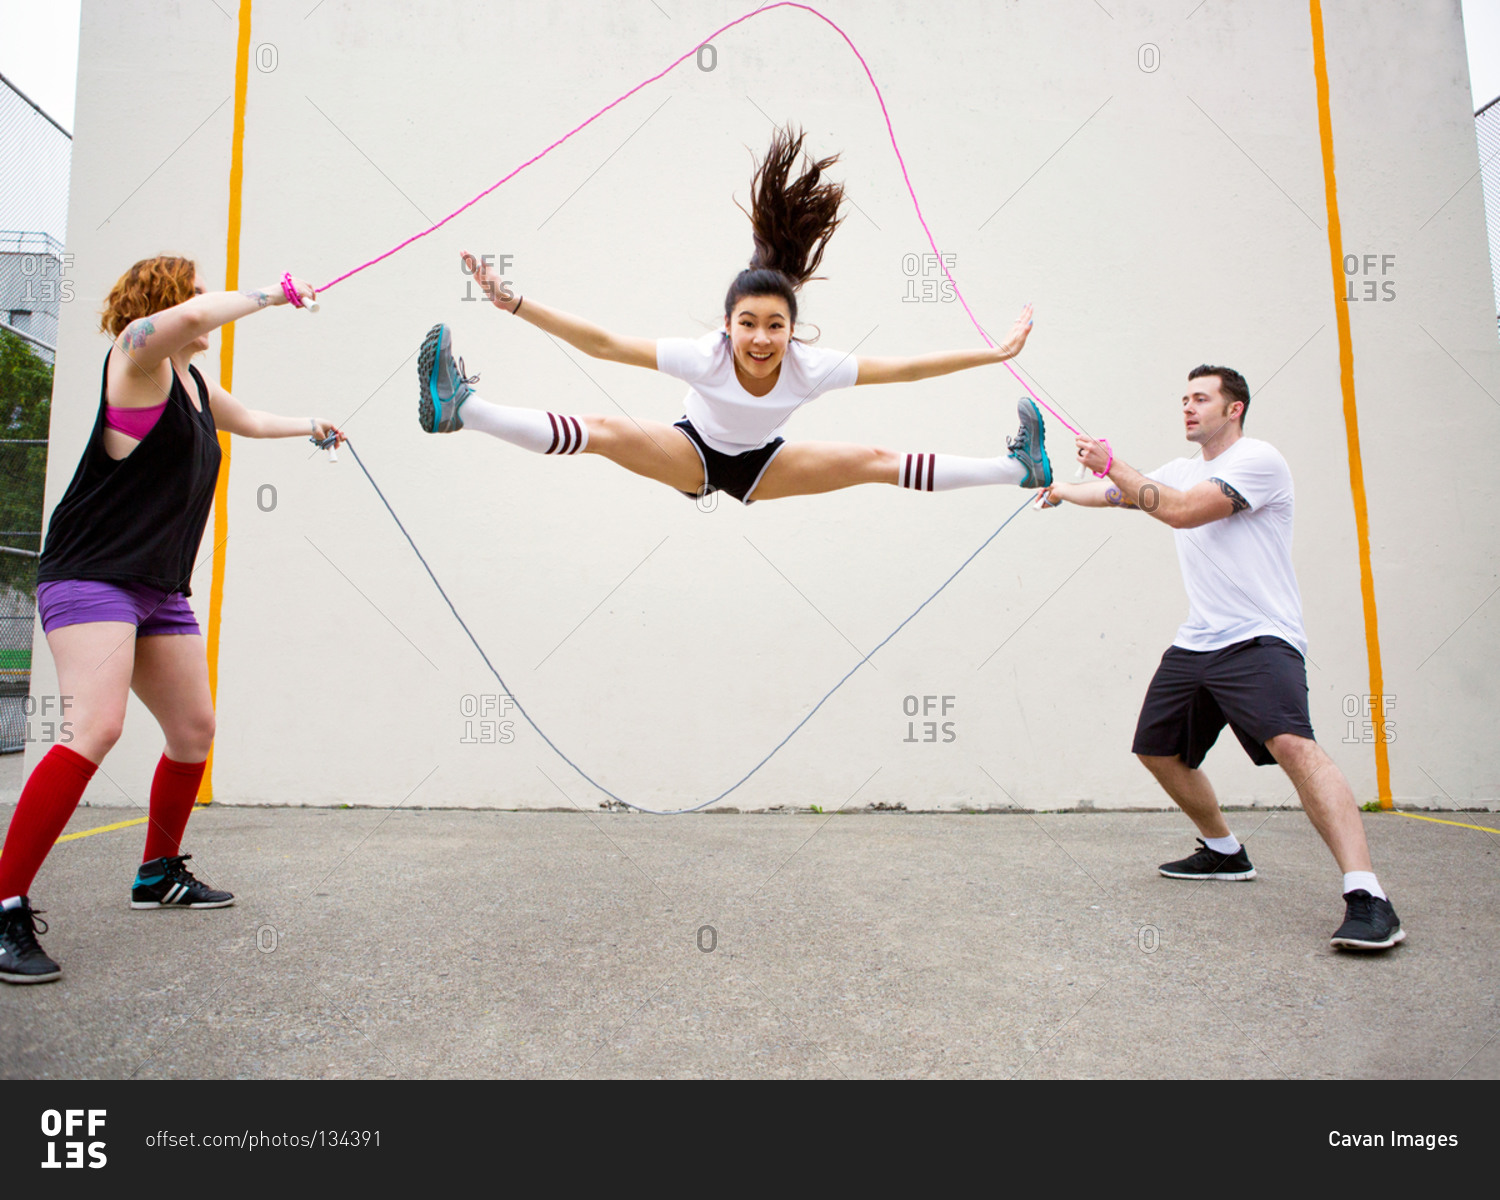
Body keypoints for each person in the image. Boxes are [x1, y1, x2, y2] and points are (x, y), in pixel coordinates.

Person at [0, 256, 345, 984]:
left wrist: (310, 425)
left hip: (157, 588)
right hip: (92, 578)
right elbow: (187, 321)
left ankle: (157, 873)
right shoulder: (134, 359)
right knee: (97, 727)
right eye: (191, 290)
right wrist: (271, 295)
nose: (199, 303)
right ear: (162, 301)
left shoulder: (190, 384)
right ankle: (4, 902)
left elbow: (246, 419)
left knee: (192, 732)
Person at [416, 126, 1053, 504]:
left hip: (762, 464)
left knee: (877, 460)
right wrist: (516, 303)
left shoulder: (809, 367)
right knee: (605, 429)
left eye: (775, 325)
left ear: (791, 330)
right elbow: (606, 344)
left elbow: (907, 369)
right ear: (729, 325)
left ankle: (1018, 470)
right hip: (690, 451)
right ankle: (462, 410)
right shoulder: (707, 356)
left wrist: (992, 353)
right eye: (748, 323)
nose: (761, 337)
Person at [1040, 365, 1403, 951]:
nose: (1187, 407)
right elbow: (1117, 495)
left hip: (1260, 637)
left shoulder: (1258, 461)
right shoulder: (1180, 470)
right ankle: (1225, 851)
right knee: (1157, 750)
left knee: (1295, 748)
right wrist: (1060, 490)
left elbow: (1179, 510)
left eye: (1201, 398)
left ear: (1234, 409)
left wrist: (1114, 464)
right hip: (1198, 640)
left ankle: (1368, 896)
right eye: (1183, 397)